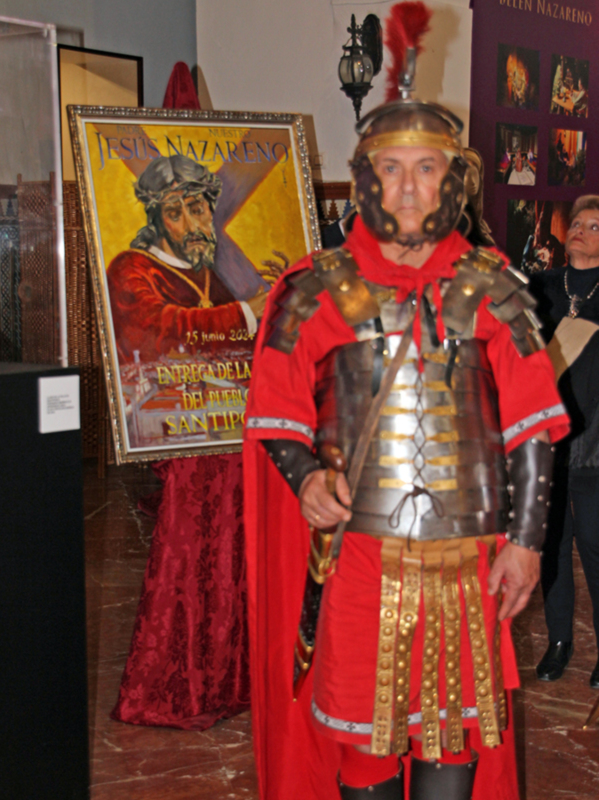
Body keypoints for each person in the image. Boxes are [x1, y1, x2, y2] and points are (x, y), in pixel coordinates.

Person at [243, 5, 569, 799]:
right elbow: (276, 409)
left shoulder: (493, 286)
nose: (410, 186)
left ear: (451, 181)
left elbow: (533, 426)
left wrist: (527, 543)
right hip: (361, 556)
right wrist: (305, 478)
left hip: (468, 562)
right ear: (367, 179)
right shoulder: (314, 288)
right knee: (363, 742)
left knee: (451, 742)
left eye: (427, 168)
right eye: (392, 168)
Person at [107, 155, 272, 363]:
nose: (192, 227)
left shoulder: (211, 276)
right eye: (175, 214)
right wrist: (246, 312)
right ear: (158, 222)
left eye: (197, 210)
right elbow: (159, 331)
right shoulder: (129, 269)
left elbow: (244, 352)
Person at [530, 195, 599, 687]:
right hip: (547, 441)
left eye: (594, 226)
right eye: (577, 222)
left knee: (596, 547)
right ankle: (559, 642)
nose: (580, 230)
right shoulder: (539, 287)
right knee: (551, 545)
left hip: (597, 444)